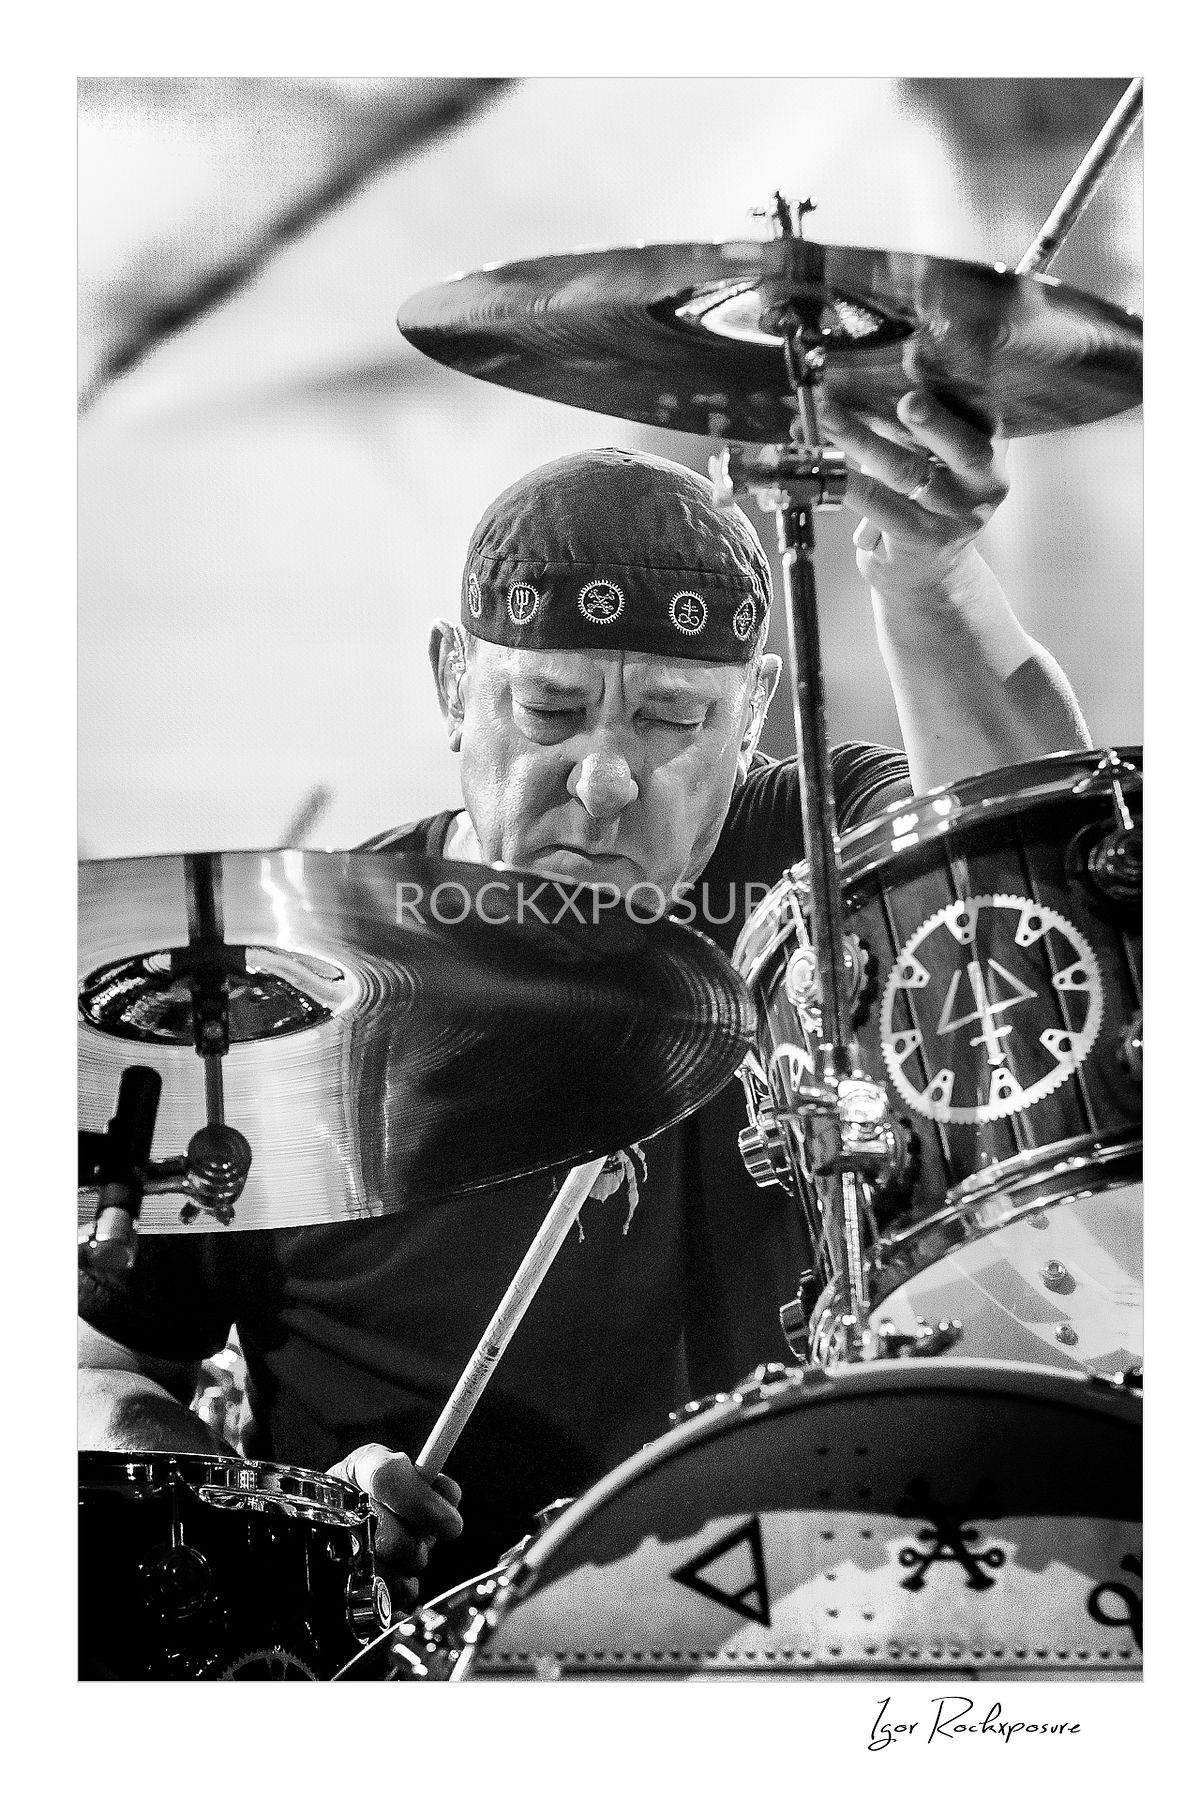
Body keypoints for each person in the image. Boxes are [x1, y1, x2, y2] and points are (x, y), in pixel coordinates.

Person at [79, 390, 1091, 1608]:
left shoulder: (815, 853)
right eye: (548, 710)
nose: (605, 781)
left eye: (674, 720)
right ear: (454, 678)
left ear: (755, 709)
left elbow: (1020, 853)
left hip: (817, 1631)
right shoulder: (291, 993)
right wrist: (284, 1530)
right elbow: (89, 1365)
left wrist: (933, 587)